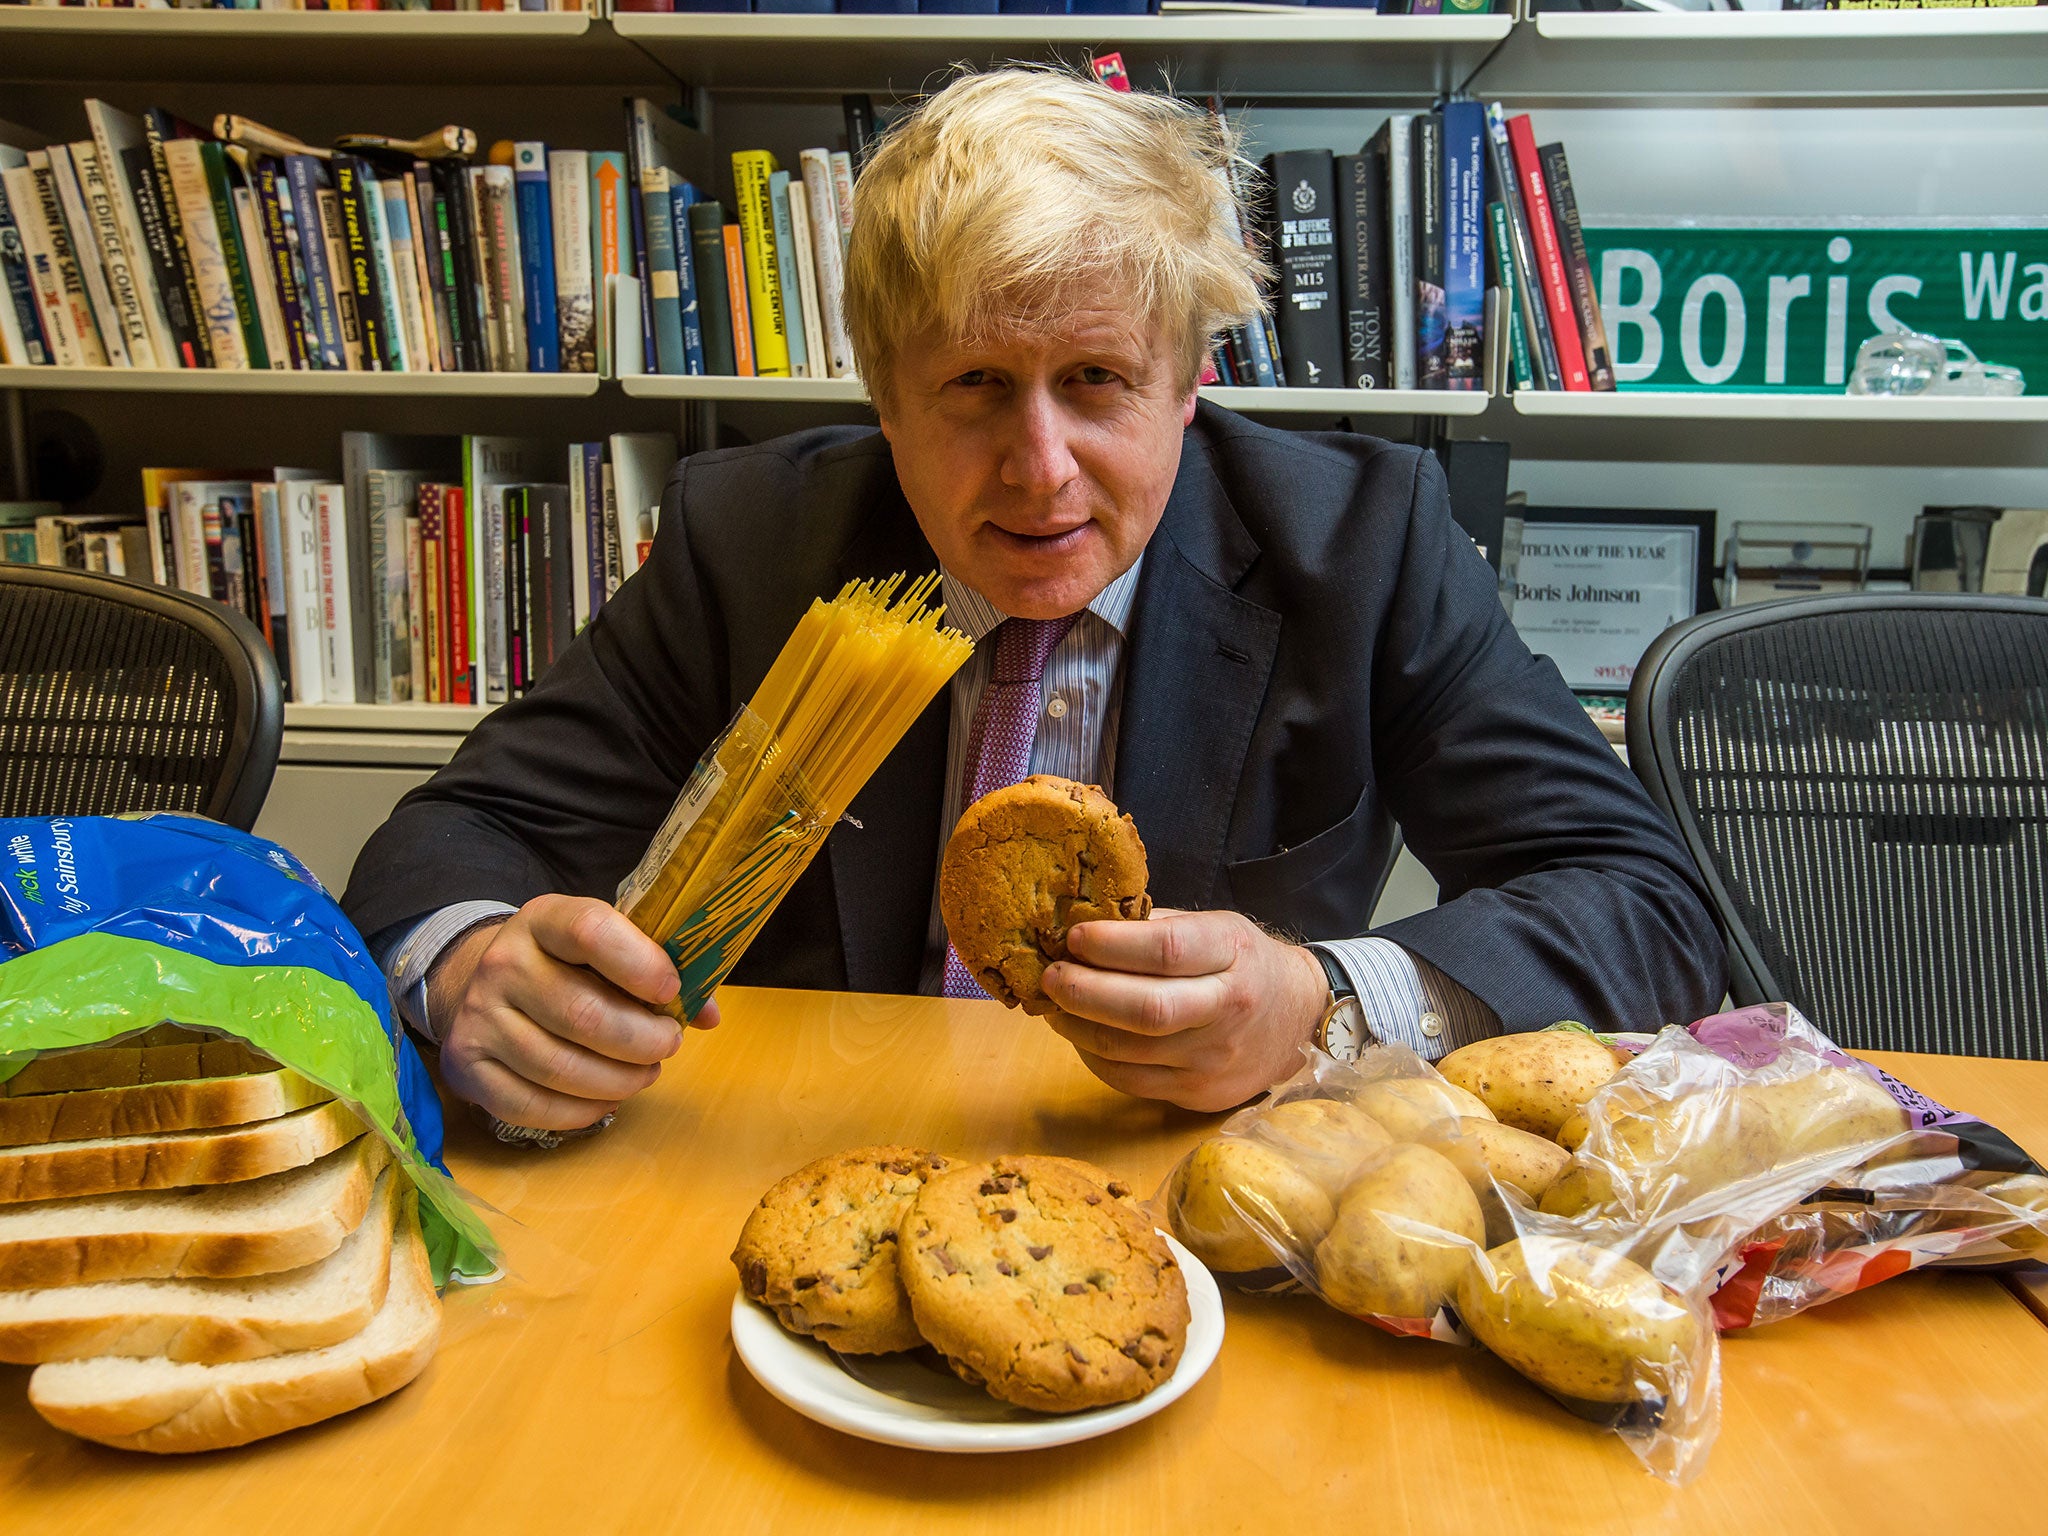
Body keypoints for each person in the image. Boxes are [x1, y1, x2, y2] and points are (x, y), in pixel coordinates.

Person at [341, 69, 1726, 1138]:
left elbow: (1647, 906)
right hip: (798, 1146)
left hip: (1200, 1185)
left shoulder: (1363, 545)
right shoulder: (751, 540)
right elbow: (454, 838)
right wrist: (467, 968)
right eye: (975, 389)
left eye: (1099, 383)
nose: (1041, 471)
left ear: (1189, 384)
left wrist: (1324, 1003)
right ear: (885, 399)